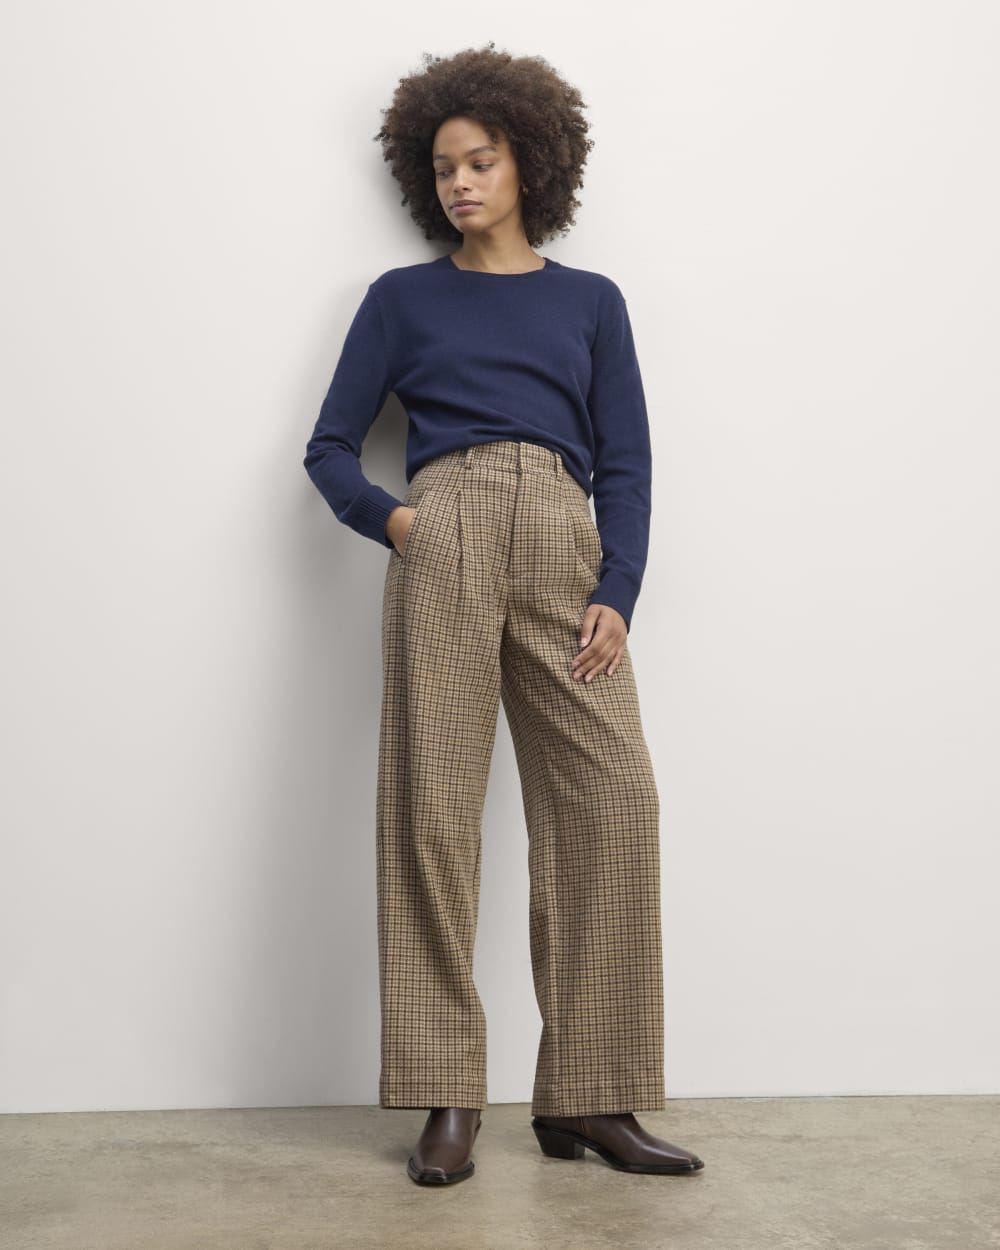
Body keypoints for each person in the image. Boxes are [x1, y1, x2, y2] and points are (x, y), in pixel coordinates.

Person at [303, 43, 705, 1186]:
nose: (460, 183)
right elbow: (328, 448)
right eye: (443, 168)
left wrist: (616, 589)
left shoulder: (590, 301)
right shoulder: (400, 299)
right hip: (446, 532)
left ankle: (590, 1093)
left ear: (527, 161)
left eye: (479, 161)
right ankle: (448, 1093)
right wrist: (400, 522)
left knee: (612, 805)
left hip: (564, 544)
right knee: (431, 810)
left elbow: (625, 461)